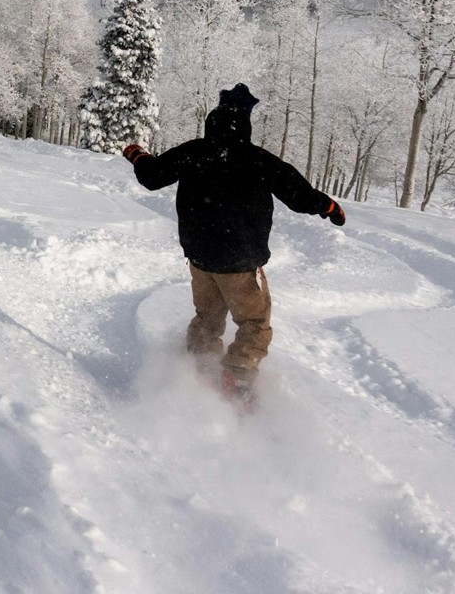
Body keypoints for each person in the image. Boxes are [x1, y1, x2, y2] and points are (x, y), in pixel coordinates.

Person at [121, 83, 345, 407]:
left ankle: (198, 371)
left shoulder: (194, 151)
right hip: (241, 264)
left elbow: (152, 176)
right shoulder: (257, 160)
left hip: (200, 260)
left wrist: (137, 155)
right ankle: (237, 377)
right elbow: (298, 194)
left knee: (207, 319)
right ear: (246, 125)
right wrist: (329, 207)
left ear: (213, 120)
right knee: (254, 323)